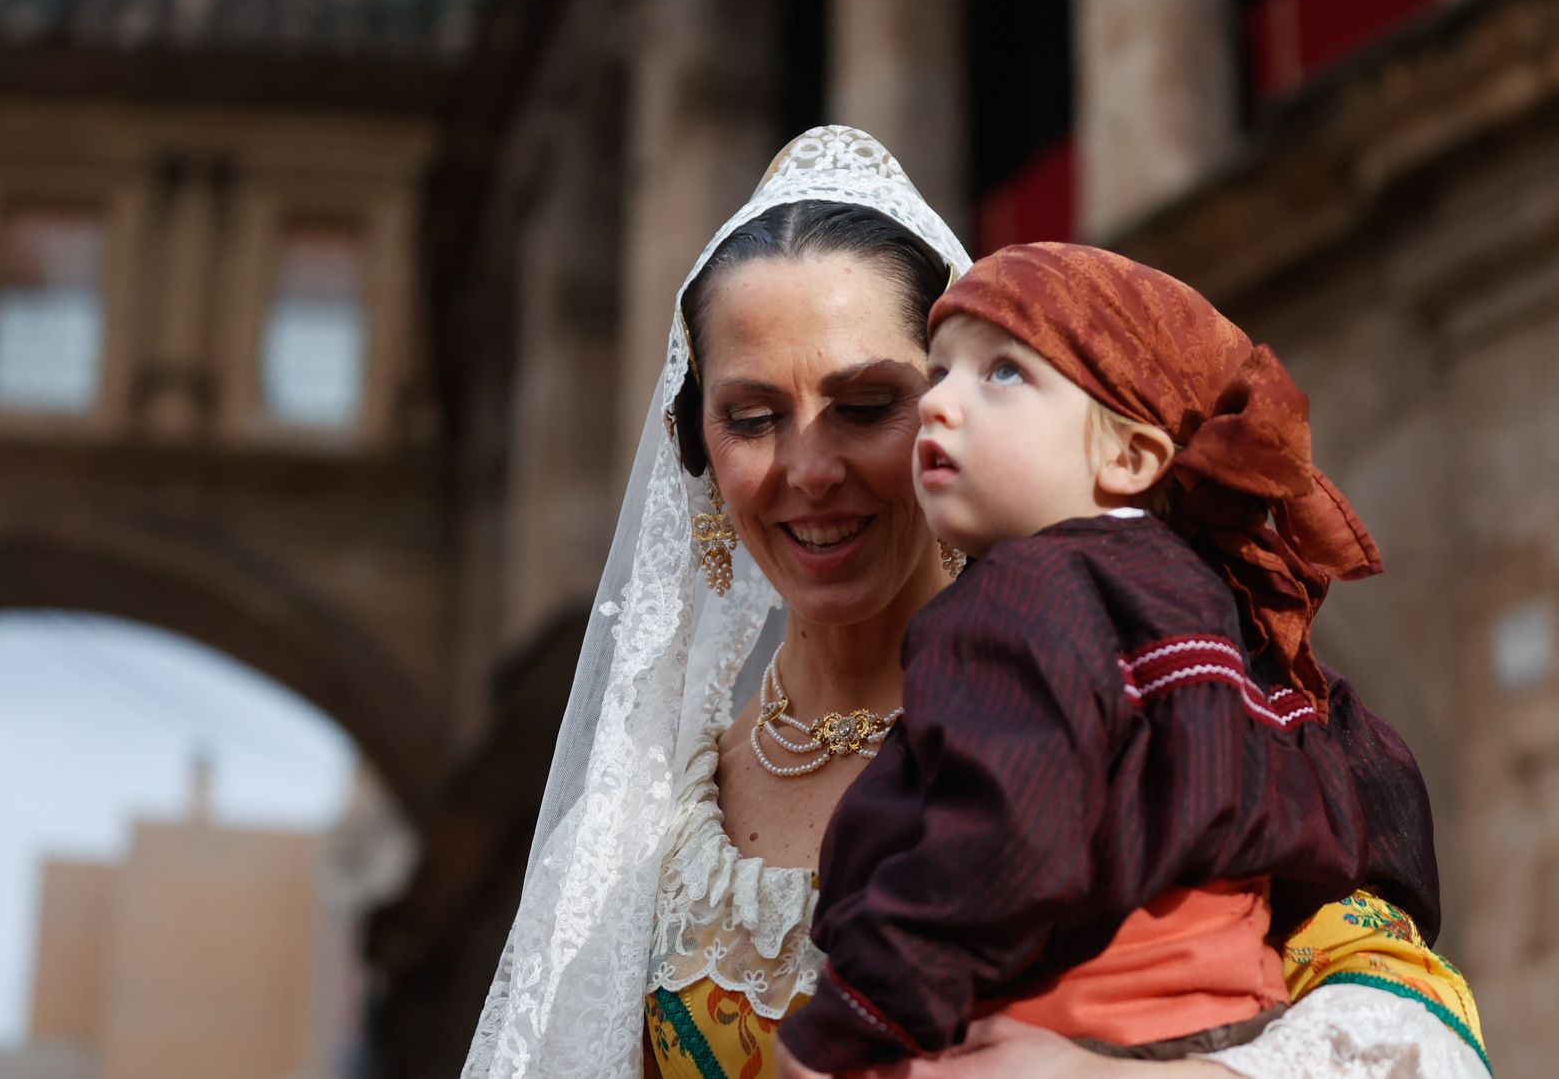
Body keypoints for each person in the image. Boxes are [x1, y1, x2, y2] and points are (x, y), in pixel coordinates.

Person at [460, 127, 1487, 1079]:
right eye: (752, 417)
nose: (810, 469)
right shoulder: (637, 828)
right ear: (699, 453)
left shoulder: (1159, 699)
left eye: (867, 407)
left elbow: (1420, 1026)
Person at [774, 243, 1445, 1076]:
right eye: (937, 373)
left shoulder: (1022, 599)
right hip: (1233, 1030)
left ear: (1129, 458)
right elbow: (1367, 818)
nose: (939, 406)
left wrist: (852, 1025)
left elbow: (1000, 831)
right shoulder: (1215, 612)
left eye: (1004, 374)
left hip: (1057, 1033)